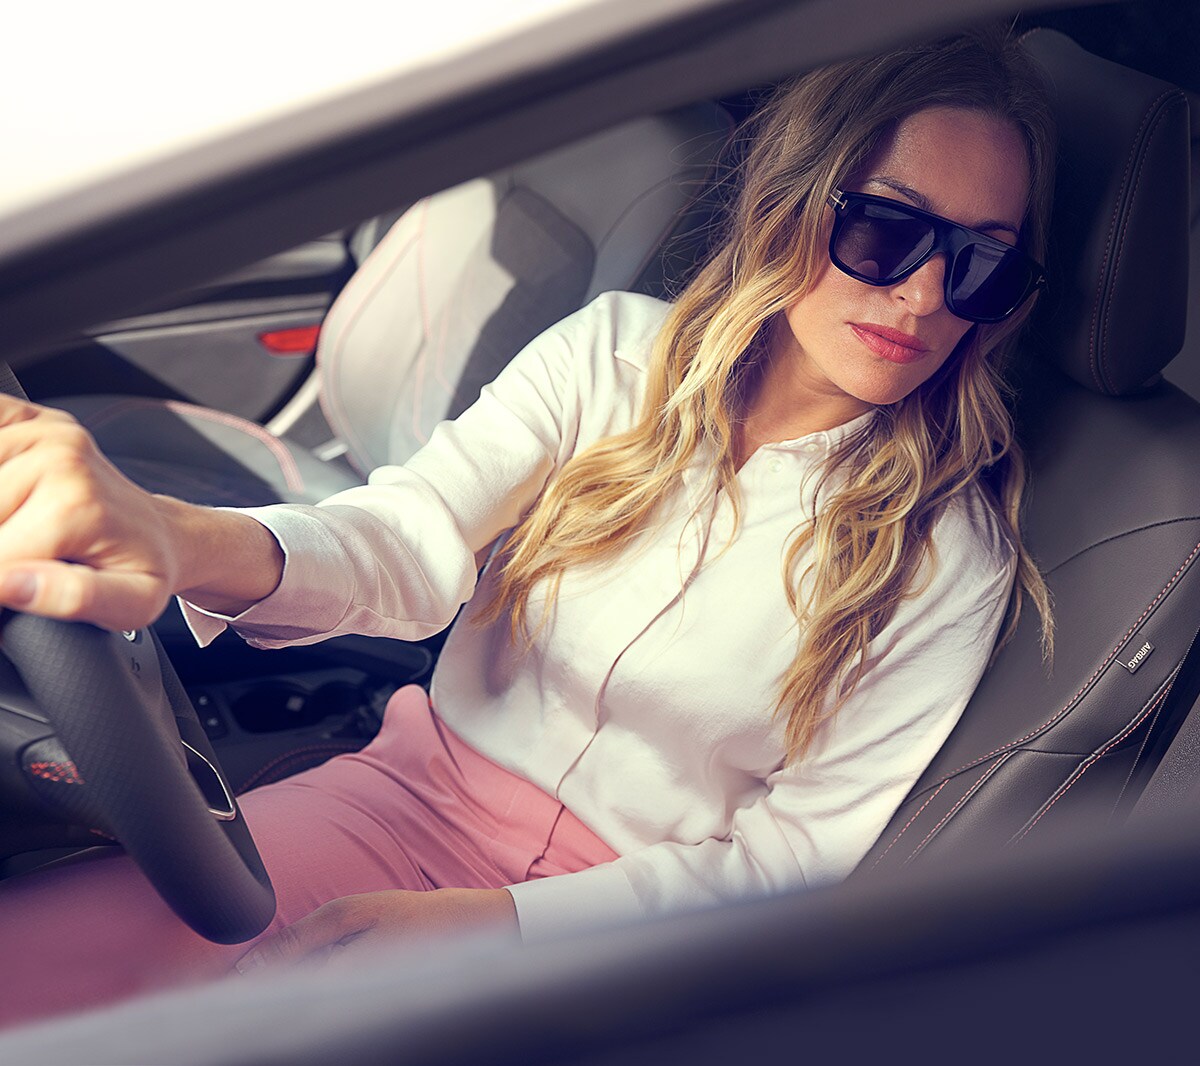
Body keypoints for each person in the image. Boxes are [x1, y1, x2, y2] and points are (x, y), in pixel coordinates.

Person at [0, 27, 1055, 1026]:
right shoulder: (613, 357)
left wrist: (499, 924)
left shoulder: (948, 561)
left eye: (981, 262)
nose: (924, 294)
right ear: (792, 200)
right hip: (403, 797)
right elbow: (408, 539)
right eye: (887, 227)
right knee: (44, 970)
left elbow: (790, 862)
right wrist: (176, 535)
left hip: (620, 927)